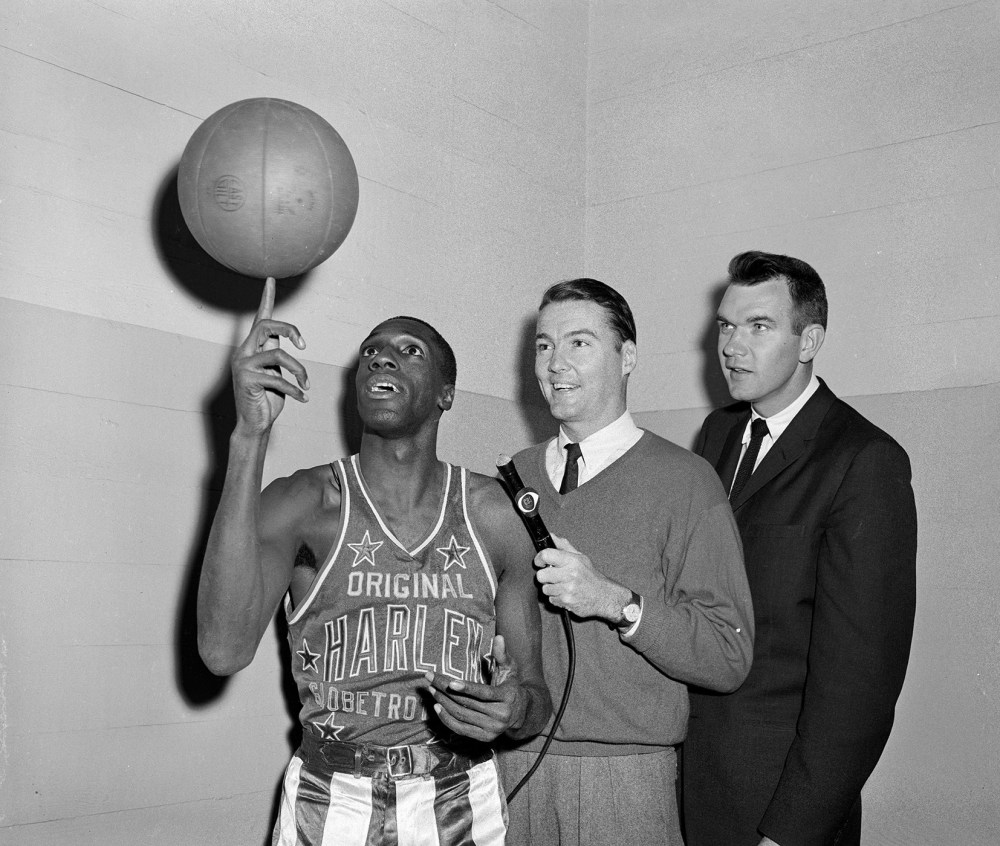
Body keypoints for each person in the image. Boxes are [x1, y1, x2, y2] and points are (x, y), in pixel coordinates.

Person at [197, 278, 552, 846]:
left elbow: (535, 697)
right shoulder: (306, 502)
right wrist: (248, 437)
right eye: (370, 351)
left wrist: (512, 712)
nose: (382, 355)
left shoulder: (493, 514)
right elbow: (221, 650)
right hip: (330, 792)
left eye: (410, 350)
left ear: (446, 393)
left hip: (460, 795)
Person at [498, 278, 754, 846]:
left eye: (580, 343)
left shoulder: (685, 482)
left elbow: (728, 653)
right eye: (543, 346)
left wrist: (615, 603)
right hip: (513, 767)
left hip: (626, 777)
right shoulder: (514, 478)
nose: (555, 364)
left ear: (627, 356)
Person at [682, 251, 918, 846]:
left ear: (809, 339)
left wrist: (792, 831)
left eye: (758, 327)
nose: (733, 345)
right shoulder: (717, 435)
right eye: (727, 326)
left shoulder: (863, 461)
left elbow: (859, 685)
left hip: (780, 803)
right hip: (694, 780)